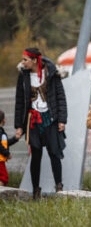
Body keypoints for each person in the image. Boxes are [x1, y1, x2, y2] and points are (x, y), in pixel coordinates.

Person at [14, 48, 67, 199]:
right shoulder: (23, 76)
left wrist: (62, 119)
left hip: (51, 118)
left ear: (34, 60)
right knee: (35, 155)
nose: (22, 62)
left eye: (25, 59)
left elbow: (60, 97)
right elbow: (19, 101)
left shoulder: (51, 73)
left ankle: (59, 187)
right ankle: (36, 190)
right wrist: (19, 125)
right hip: (33, 120)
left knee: (54, 153)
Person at [0, 110, 21, 186]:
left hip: (1, 160)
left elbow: (5, 143)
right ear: (4, 120)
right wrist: (7, 154)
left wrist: (15, 138)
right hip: (0, 160)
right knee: (4, 178)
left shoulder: (2, 131)